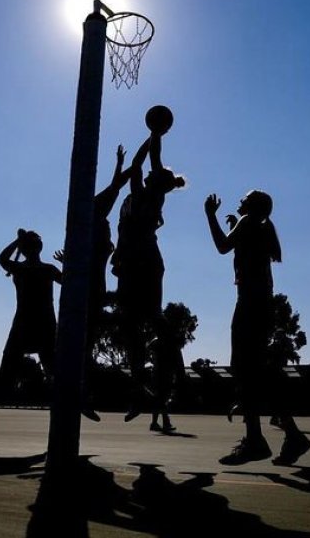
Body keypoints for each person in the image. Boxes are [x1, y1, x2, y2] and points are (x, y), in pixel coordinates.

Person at [204, 190, 310, 465]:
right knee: (256, 373)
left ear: (253, 206)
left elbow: (221, 247)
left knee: (243, 368)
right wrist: (236, 224)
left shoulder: (249, 221)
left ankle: (256, 441)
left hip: (250, 304)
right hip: (261, 304)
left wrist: (210, 215)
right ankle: (290, 435)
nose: (240, 200)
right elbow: (246, 249)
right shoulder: (258, 226)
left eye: (245, 198)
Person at [0, 229, 62, 455]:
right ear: (38, 248)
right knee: (54, 379)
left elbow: (1, 259)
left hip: (28, 327)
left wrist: (18, 240)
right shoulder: (43, 269)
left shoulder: (23, 269)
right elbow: (69, 280)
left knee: (5, 383)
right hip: (39, 328)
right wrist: (20, 241)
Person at [112, 130, 185, 421]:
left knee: (153, 319)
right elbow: (149, 162)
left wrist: (153, 134)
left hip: (145, 263)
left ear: (158, 182)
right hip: (130, 264)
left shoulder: (150, 194)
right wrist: (155, 136)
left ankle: (180, 379)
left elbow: (144, 162)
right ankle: (139, 391)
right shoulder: (139, 194)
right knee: (131, 330)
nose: (149, 174)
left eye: (155, 174)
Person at [55, 145, 131, 422]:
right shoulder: (94, 216)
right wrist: (128, 165)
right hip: (90, 289)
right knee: (84, 345)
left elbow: (115, 186)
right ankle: (79, 395)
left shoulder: (88, 221)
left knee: (84, 345)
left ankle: (80, 394)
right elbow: (116, 187)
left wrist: (122, 165)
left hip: (88, 287)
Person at [148, 305, 189, 433]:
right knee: (162, 398)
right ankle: (165, 422)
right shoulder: (168, 342)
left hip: (157, 372)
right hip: (164, 372)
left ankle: (155, 423)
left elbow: (150, 350)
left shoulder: (156, 342)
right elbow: (176, 358)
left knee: (158, 398)